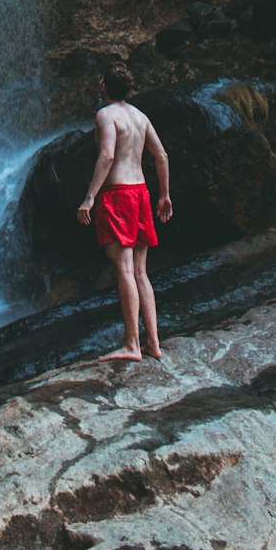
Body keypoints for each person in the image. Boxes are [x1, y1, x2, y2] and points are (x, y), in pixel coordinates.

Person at [76, 64, 172, 362]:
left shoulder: (106, 116)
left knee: (126, 271)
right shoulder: (140, 117)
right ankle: (153, 343)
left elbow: (107, 155)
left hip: (117, 196)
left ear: (104, 86)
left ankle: (132, 345)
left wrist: (90, 197)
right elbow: (161, 155)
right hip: (141, 194)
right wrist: (165, 195)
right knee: (142, 272)